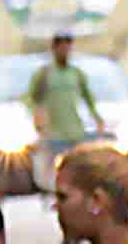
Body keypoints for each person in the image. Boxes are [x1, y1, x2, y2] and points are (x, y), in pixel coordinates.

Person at [24, 32, 106, 192]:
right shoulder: (45, 74)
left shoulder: (76, 73)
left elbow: (88, 97)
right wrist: (37, 118)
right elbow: (33, 99)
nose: (65, 52)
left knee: (78, 168)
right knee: (56, 170)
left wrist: (97, 118)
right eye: (61, 48)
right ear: (54, 49)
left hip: (75, 131)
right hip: (54, 131)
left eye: (68, 48)